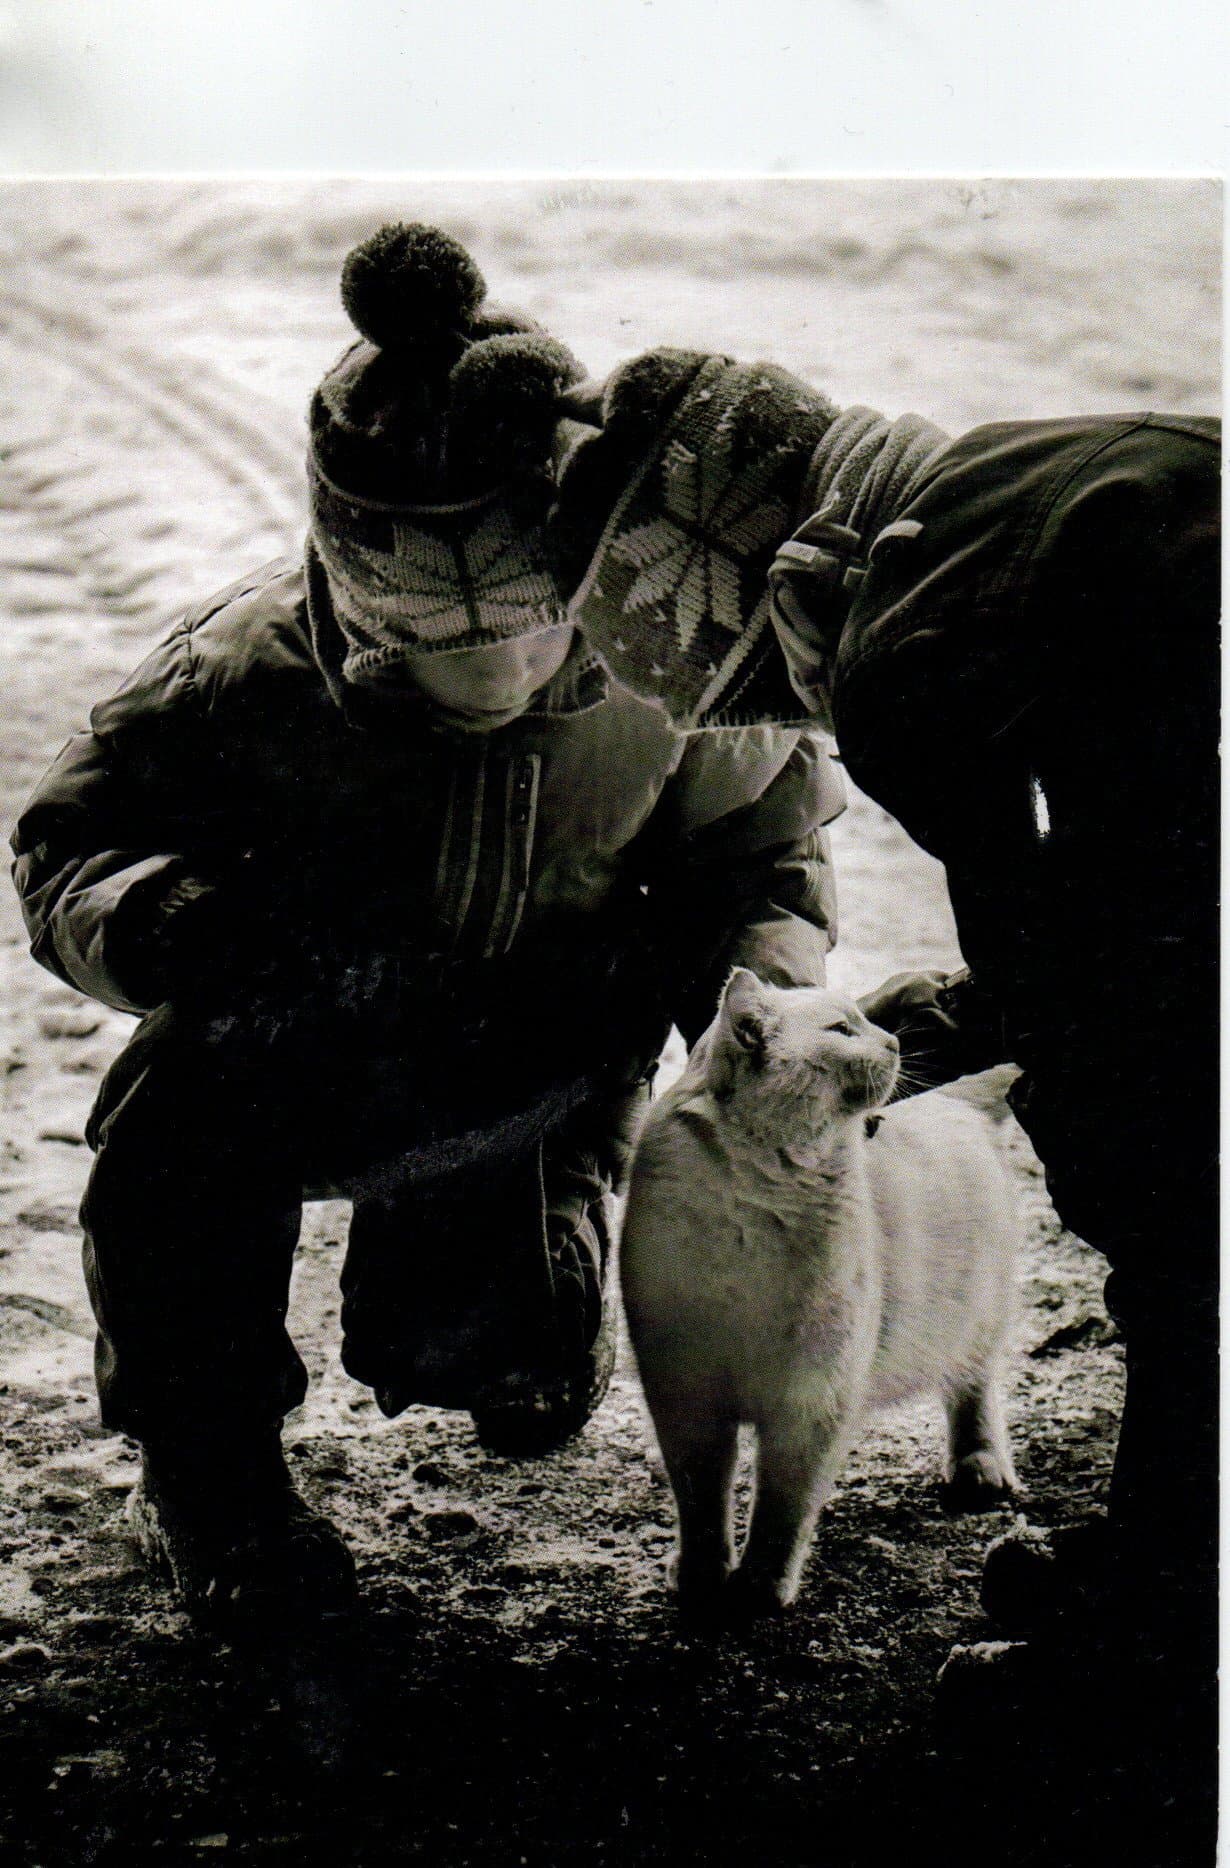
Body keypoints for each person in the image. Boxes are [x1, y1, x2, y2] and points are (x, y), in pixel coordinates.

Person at [9, 226, 843, 1633]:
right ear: (355, 594)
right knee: (164, 1154)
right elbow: (67, 841)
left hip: (540, 1048)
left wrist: (753, 993)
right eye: (432, 645)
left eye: (525, 630)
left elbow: (759, 855)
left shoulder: (670, 675)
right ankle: (215, 1482)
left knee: (470, 1353)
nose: (491, 673)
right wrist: (157, 917)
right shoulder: (241, 676)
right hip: (299, 1030)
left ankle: (534, 1300)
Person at [548, 346, 1218, 1762]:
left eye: (768, 694)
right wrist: (987, 1012)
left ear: (774, 598)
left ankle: (1161, 1651)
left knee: (1178, 1229)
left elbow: (1089, 989)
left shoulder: (902, 649)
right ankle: (1171, 1559)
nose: (799, 717)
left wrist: (1013, 1057)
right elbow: (1147, 879)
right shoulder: (1029, 465)